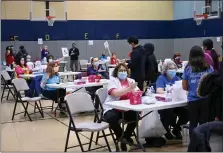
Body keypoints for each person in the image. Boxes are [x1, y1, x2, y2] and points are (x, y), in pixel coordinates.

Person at [103, 63, 139, 151]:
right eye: (120, 71)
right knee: (111, 118)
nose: (123, 72)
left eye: (124, 70)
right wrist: (129, 88)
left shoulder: (131, 81)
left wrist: (134, 90)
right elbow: (115, 94)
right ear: (116, 72)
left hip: (126, 107)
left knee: (136, 115)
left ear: (127, 72)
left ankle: (125, 137)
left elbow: (137, 93)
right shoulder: (113, 81)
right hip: (112, 107)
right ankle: (121, 138)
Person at [182, 45, 214, 137]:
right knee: (204, 124)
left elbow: (184, 86)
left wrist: (192, 88)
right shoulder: (208, 68)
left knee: (193, 124)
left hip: (193, 100)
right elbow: (212, 83)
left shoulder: (188, 68)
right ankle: (205, 145)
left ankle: (194, 146)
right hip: (206, 100)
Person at [156, 60, 188, 139]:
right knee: (169, 113)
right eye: (170, 69)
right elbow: (159, 90)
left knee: (188, 113)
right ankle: (166, 130)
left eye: (174, 68)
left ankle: (177, 129)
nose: (172, 70)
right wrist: (169, 91)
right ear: (165, 70)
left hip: (176, 104)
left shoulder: (177, 78)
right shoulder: (161, 78)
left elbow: (183, 89)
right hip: (166, 105)